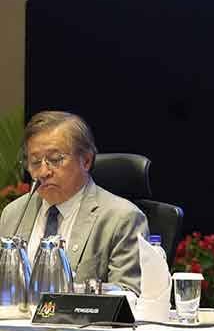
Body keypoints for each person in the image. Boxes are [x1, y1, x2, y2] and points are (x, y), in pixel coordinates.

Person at [0, 111, 148, 293]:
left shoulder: (122, 218)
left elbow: (129, 293)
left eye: (55, 160)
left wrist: (69, 292)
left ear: (85, 161)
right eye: (35, 162)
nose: (43, 172)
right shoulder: (13, 214)